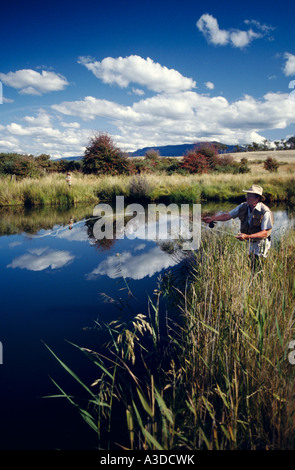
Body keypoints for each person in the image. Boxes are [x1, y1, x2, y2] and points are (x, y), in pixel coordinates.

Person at [202, 184, 274, 269]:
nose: (246, 198)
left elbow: (265, 233)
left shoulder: (265, 211)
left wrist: (247, 236)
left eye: (249, 196)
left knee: (258, 268)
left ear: (257, 198)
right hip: (250, 243)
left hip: (261, 245)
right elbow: (227, 216)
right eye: (247, 195)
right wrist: (212, 218)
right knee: (251, 266)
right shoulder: (243, 206)